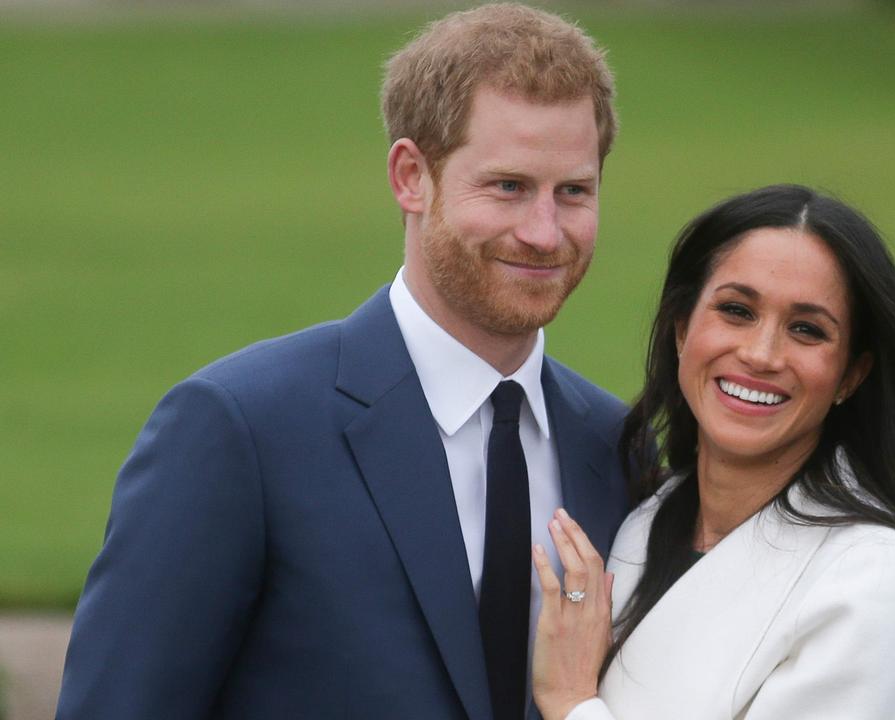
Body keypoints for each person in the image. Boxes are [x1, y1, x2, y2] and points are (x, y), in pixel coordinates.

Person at [56, 5, 629, 719]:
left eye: (572, 191)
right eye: (509, 186)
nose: (545, 232)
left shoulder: (620, 448)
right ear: (411, 176)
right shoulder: (241, 431)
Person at [527, 185, 895, 719]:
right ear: (683, 329)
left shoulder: (873, 583)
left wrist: (571, 704)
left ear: (851, 375)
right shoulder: (647, 517)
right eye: (735, 310)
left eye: (806, 329)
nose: (761, 354)